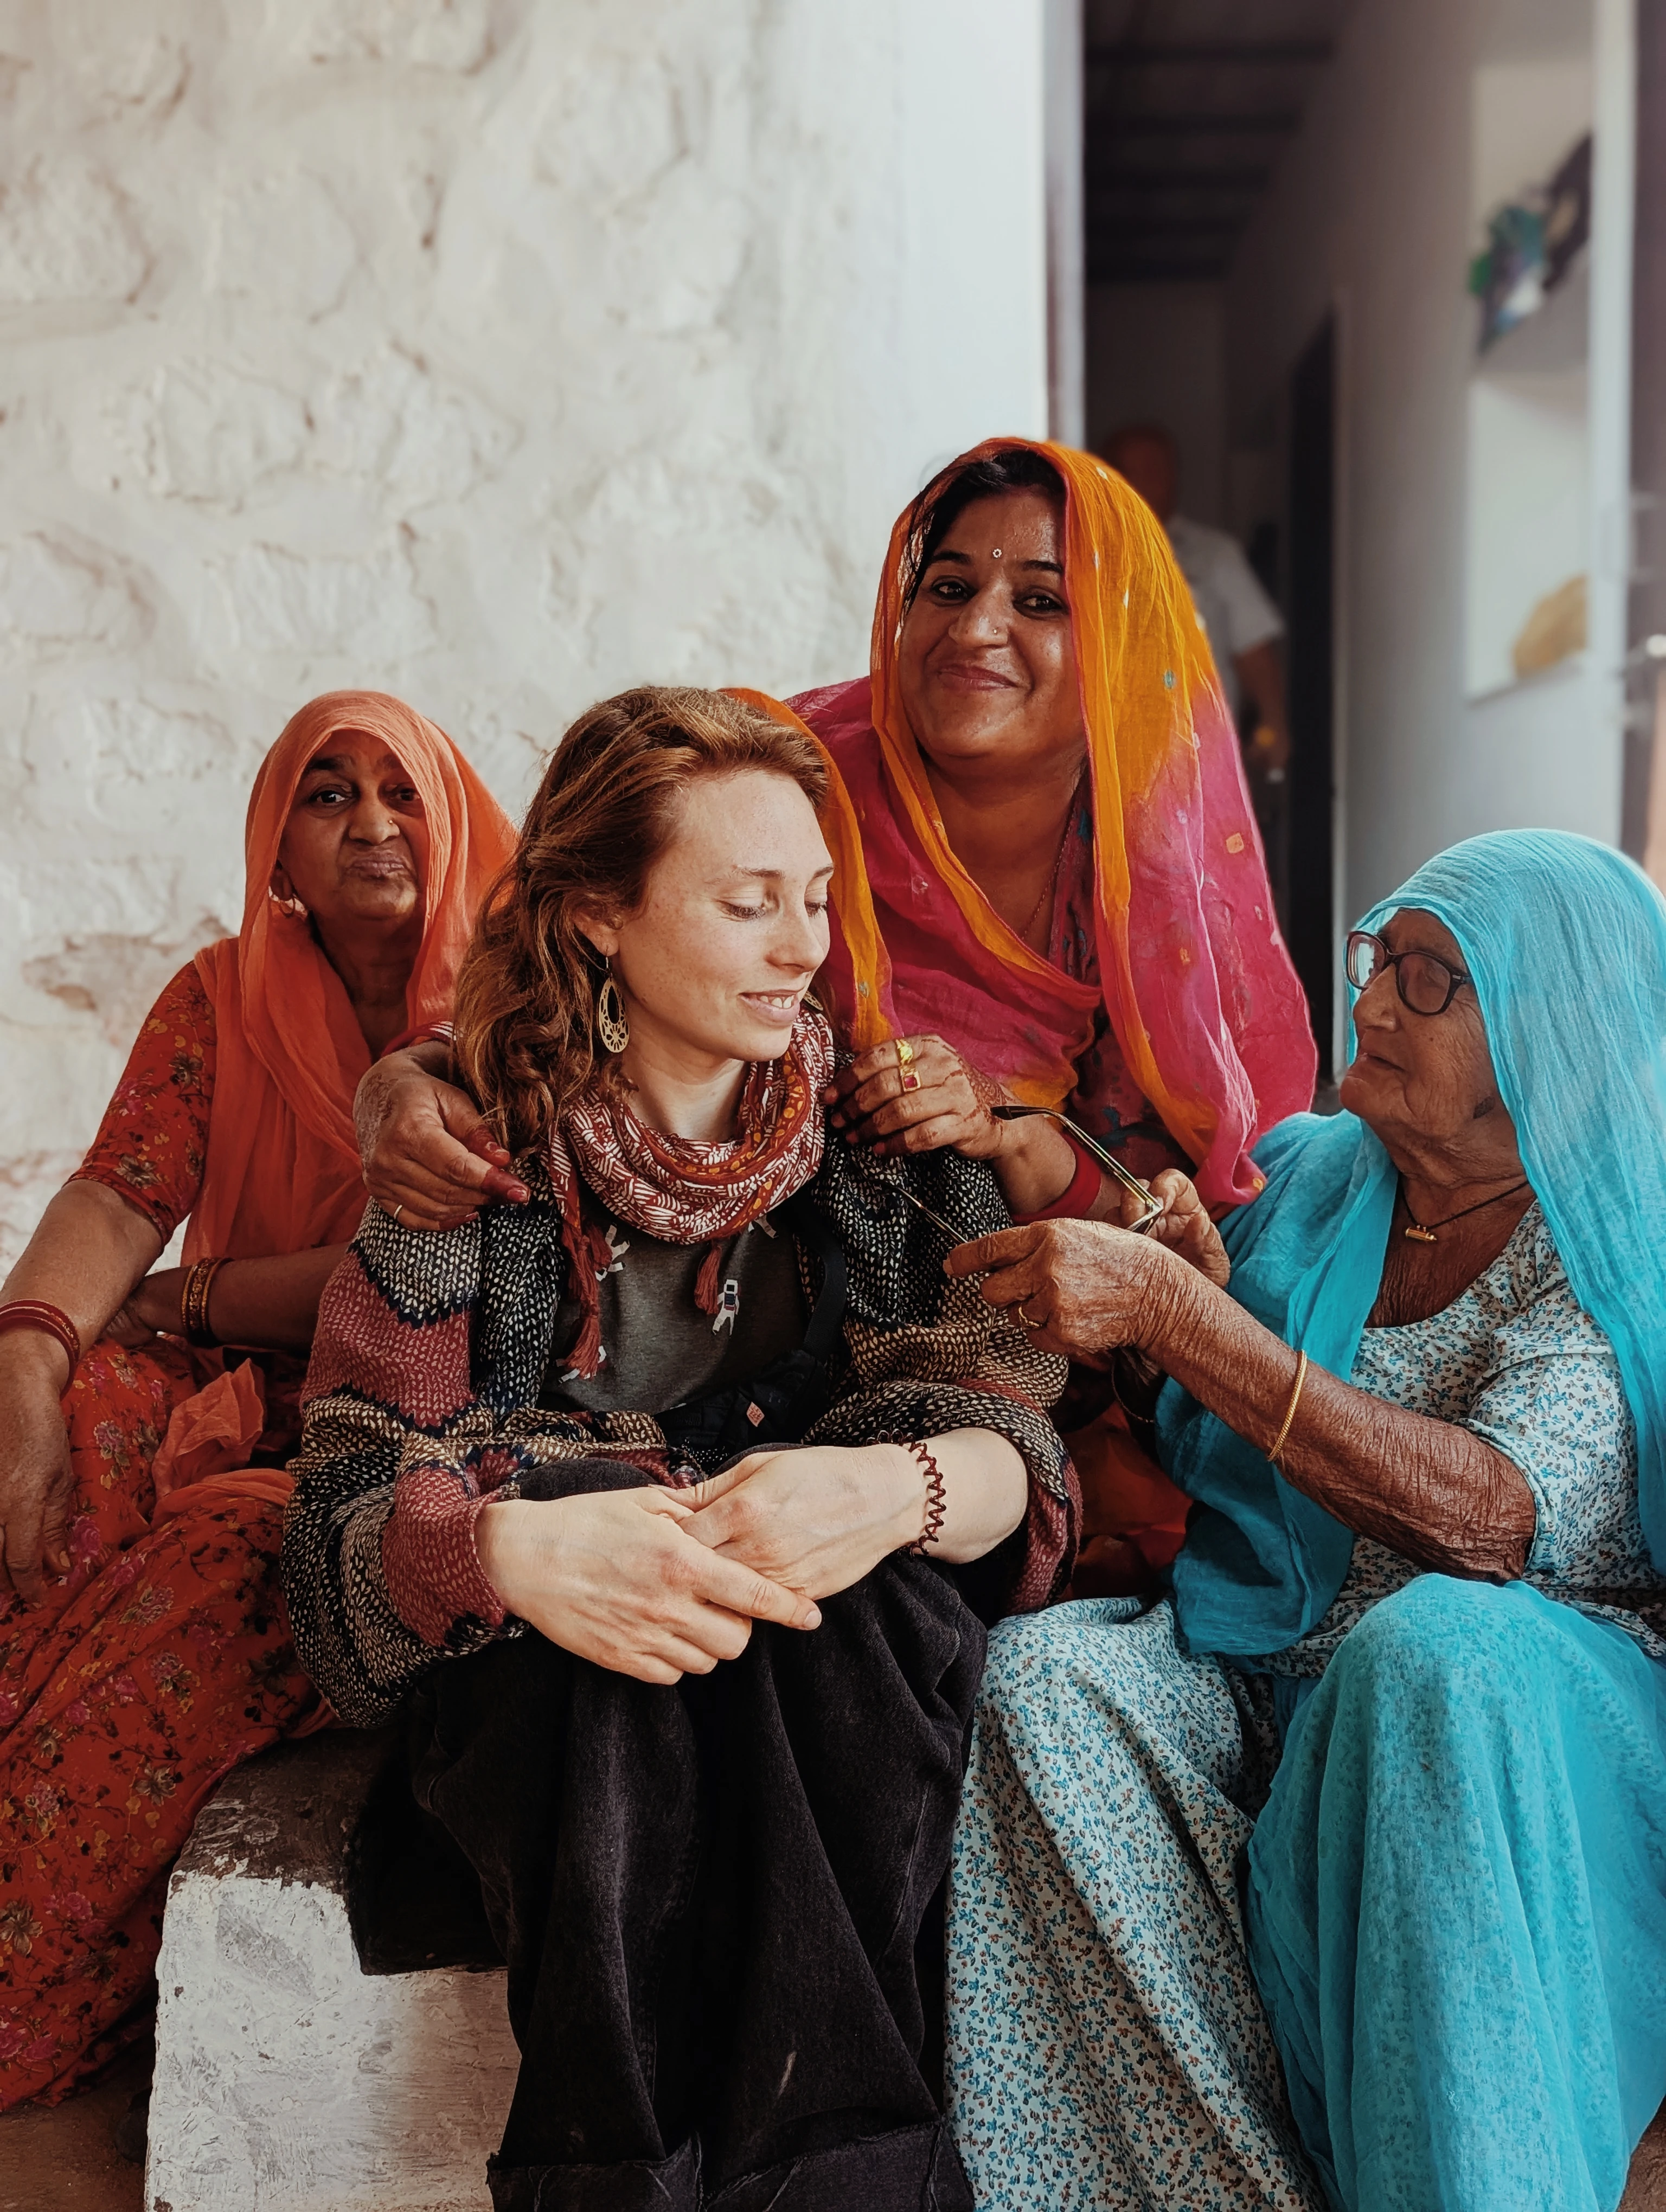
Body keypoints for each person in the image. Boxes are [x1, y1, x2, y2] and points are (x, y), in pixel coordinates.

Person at [281, 685, 1083, 2211]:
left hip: (835, 1706)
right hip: (568, 1748)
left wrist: (890, 1488)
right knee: (614, 1665)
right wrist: (508, 1548)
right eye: (748, 903)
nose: (805, 949)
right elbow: (337, 1549)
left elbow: (1023, 1462)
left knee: (838, 1621)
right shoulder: (469, 1165)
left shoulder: (888, 1153)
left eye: (820, 903)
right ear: (597, 916)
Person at [351, 438, 1317, 1587]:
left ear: (1117, 643)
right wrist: (405, 1081)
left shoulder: (1156, 868)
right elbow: (563, 955)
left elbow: (1186, 1210)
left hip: (1017, 1340)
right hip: (762, 1314)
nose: (976, 628)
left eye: (1042, 599)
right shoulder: (790, 780)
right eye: (948, 586)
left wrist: (1016, 1138)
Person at [939, 827, 1666, 2210]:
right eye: (1375, 960)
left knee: (1428, 1649)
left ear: (1547, 1028)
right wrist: (1189, 1300)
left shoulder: (1603, 1234)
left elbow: (1488, 1520)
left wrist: (1182, 1317)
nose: (1372, 1001)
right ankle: (1223, 2184)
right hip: (1274, 1655)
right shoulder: (1322, 1174)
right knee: (1042, 1685)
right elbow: (1222, 1449)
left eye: (1429, 979)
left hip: (1517, 1712)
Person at [0, 692, 515, 2108]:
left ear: (454, 819)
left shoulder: (511, 1013)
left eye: (400, 792)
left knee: (224, 1574)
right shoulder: (222, 994)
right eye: (327, 793)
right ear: (276, 842)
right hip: (238, 1392)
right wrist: (30, 1360)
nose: (369, 824)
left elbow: (417, 1268)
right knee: (68, 1424)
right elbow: (119, 1189)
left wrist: (204, 1292)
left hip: (404, 1420)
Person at [1103, 421, 1291, 780]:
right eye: (1137, 470)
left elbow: (1252, 646)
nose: (1152, 479)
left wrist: (1273, 723)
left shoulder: (1216, 554)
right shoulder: (1090, 554)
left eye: (1160, 468)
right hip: (1114, 760)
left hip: (1203, 758)